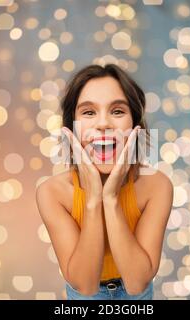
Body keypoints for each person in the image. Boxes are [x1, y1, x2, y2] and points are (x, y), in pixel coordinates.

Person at [36, 63, 173, 300]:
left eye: (117, 111)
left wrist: (110, 199)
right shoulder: (51, 192)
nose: (103, 124)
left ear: (135, 126)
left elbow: (137, 283)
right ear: (72, 128)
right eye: (88, 112)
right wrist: (92, 201)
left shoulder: (157, 186)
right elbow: (85, 286)